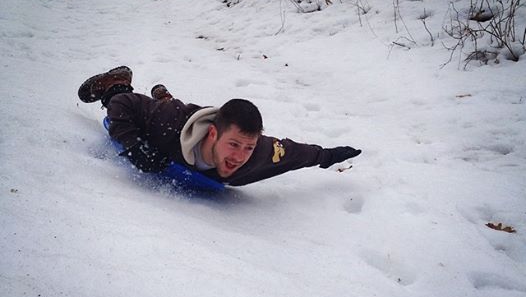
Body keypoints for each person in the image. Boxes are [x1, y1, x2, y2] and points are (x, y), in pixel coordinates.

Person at [78, 66, 362, 186]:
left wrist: (328, 156)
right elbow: (123, 106)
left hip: (195, 120)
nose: (240, 156)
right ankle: (117, 81)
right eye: (234, 145)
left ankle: (163, 93)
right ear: (213, 134)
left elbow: (296, 153)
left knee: (167, 105)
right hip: (172, 119)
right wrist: (133, 144)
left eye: (248, 147)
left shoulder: (258, 153)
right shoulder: (168, 123)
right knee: (128, 101)